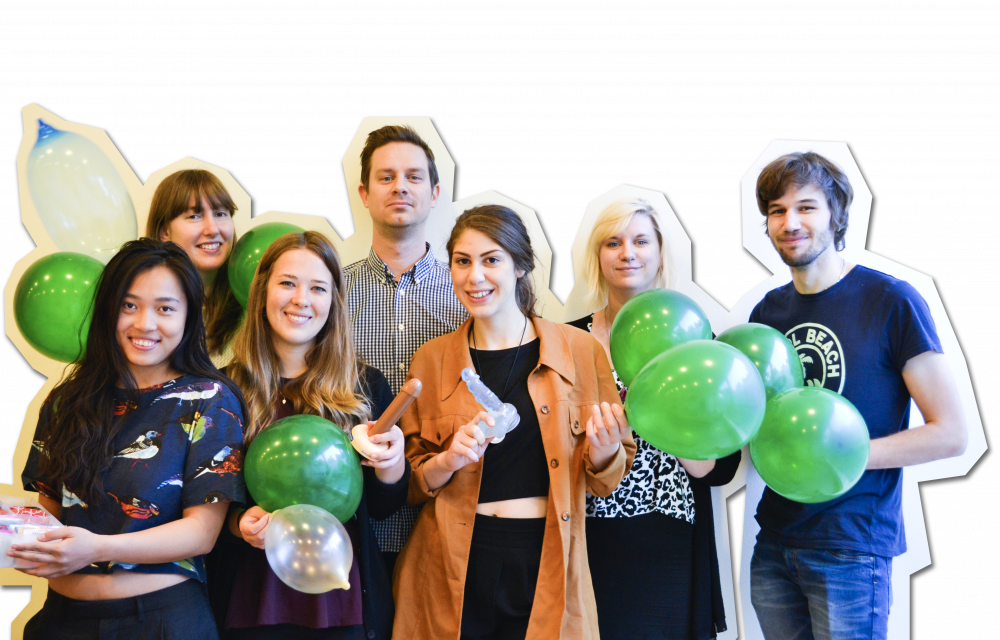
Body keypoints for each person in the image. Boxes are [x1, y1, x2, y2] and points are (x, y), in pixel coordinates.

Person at [748, 152, 968, 640]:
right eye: (777, 211)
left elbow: (951, 433)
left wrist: (840, 456)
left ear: (836, 214)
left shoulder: (892, 301)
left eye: (806, 207)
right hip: (773, 544)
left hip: (852, 547)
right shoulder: (766, 314)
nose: (790, 222)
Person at [392, 205, 636, 640]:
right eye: (462, 261)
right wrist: (448, 460)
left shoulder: (581, 351)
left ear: (520, 266)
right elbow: (406, 484)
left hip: (547, 560)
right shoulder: (432, 359)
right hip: (451, 564)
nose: (474, 276)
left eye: (491, 260)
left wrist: (605, 453)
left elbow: (606, 482)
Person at [12, 238, 247, 640]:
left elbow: (201, 534)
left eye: (165, 308)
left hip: (161, 622)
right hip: (60, 621)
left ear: (189, 316)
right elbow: (49, 510)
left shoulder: (210, 399)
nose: (145, 324)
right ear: (109, 309)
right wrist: (24, 545)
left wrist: (98, 548)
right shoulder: (66, 399)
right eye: (129, 305)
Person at [209, 231, 410, 640]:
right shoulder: (222, 391)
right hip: (251, 602)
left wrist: (392, 464)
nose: (301, 299)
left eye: (318, 288)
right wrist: (238, 525)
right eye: (287, 283)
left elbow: (382, 508)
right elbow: (207, 502)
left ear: (333, 301)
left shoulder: (365, 387)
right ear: (262, 291)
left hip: (342, 604)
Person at [566, 198, 740, 639]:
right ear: (597, 256)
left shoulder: (696, 340)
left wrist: (665, 417)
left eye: (641, 241)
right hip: (586, 534)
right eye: (613, 242)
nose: (627, 253)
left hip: (668, 534)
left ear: (660, 252)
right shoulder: (567, 341)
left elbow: (722, 466)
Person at [345, 125, 467, 573]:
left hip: (446, 514)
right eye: (386, 177)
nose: (400, 187)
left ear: (435, 193)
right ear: (364, 193)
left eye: (414, 177)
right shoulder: (328, 293)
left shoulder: (468, 293)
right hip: (354, 519)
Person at [146, 169, 243, 366]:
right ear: (165, 232)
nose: (212, 229)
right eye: (194, 216)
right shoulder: (139, 313)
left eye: (220, 214)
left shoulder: (251, 309)